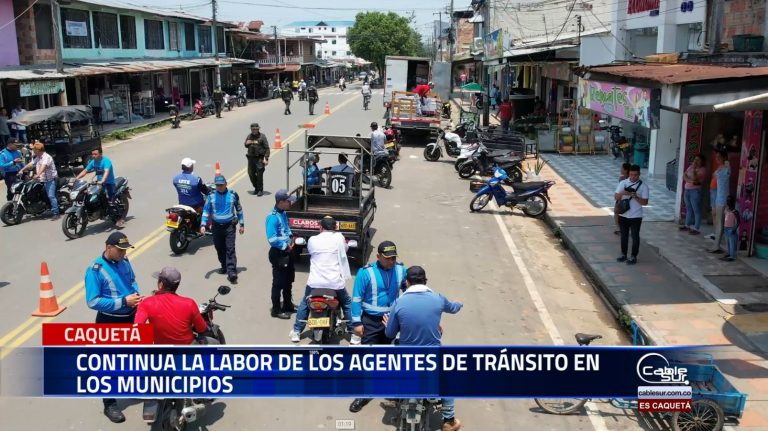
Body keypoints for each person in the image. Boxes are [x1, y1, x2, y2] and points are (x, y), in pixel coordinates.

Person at [384, 266, 463, 431]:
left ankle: (393, 394)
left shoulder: (399, 302)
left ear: (407, 282)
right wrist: (459, 304)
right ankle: (449, 420)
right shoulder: (438, 299)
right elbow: (453, 308)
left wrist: (390, 325)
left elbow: (390, 333)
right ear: (425, 281)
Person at [84, 232, 142, 423]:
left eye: (125, 250)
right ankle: (109, 403)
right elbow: (93, 301)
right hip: (109, 320)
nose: (124, 254)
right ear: (108, 248)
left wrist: (136, 294)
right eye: (120, 250)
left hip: (131, 317)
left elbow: (132, 280)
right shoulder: (95, 270)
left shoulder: (124, 261)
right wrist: (123, 301)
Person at [348, 240, 406, 413]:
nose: (392, 261)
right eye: (388, 258)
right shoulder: (365, 273)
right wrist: (357, 323)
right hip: (371, 321)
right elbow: (356, 299)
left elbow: (411, 290)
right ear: (378, 256)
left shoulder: (401, 270)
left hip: (392, 320)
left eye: (394, 257)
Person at [289, 215, 353, 342]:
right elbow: (345, 249)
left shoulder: (312, 240)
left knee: (305, 303)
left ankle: (296, 331)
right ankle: (354, 334)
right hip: (335, 283)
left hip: (315, 283)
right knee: (347, 303)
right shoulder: (339, 238)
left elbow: (311, 250)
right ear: (335, 227)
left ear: (320, 227)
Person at [134, 267, 207, 344]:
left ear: (161, 284)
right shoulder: (189, 303)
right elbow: (202, 329)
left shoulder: (146, 303)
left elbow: (136, 330)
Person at [200, 175, 244, 284]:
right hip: (216, 227)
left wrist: (242, 224)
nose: (220, 187)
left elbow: (239, 209)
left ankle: (232, 272)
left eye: (221, 185)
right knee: (219, 248)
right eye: (218, 185)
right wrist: (203, 225)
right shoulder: (211, 196)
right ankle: (224, 266)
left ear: (226, 184)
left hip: (229, 226)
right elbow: (206, 210)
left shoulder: (233, 195)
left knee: (230, 248)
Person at [265, 189, 297, 320]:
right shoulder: (272, 217)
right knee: (278, 283)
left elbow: (286, 229)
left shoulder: (283, 213)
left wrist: (291, 238)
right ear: (281, 202)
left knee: (288, 281)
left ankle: (288, 304)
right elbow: (272, 239)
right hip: (279, 254)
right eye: (288, 201)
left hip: (288, 252)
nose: (290, 203)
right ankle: (276, 310)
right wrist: (285, 246)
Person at [615, 165, 650, 265]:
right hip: (623, 215)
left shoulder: (644, 186)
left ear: (639, 175)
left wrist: (636, 197)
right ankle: (623, 254)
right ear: (629, 174)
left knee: (635, 236)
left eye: (635, 175)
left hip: (636, 216)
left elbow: (645, 203)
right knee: (624, 236)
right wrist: (623, 193)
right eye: (631, 174)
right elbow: (616, 197)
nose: (633, 177)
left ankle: (633, 256)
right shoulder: (623, 183)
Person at [19, 141, 59, 219]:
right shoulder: (38, 157)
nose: (33, 151)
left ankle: (56, 213)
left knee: (51, 196)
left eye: (34, 149)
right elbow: (31, 163)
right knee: (32, 190)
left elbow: (43, 167)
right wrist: (22, 169)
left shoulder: (46, 157)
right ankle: (38, 208)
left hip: (50, 180)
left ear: (38, 150)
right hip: (42, 179)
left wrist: (38, 174)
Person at [709, 150, 731, 254]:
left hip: (722, 199)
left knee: (721, 223)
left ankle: (718, 246)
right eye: (716, 157)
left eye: (719, 157)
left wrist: (726, 161)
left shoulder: (726, 168)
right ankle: (717, 245)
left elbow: (726, 171)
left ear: (724, 158)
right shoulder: (721, 168)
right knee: (719, 222)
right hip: (719, 197)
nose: (717, 159)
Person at [680, 154, 707, 235]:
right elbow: (684, 176)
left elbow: (695, 178)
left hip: (695, 191)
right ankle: (687, 225)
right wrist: (691, 181)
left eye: (698, 160)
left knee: (696, 210)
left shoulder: (703, 170)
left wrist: (694, 170)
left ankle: (696, 228)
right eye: (695, 159)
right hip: (687, 190)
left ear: (702, 162)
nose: (695, 161)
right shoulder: (691, 167)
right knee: (689, 208)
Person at [244, 123, 271, 196]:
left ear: (258, 129)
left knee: (259, 174)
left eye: (256, 129)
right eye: (253, 129)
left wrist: (266, 158)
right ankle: (256, 187)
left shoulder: (262, 137)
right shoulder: (249, 136)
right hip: (251, 158)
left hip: (259, 159)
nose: (254, 130)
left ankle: (260, 190)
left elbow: (267, 148)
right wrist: (247, 143)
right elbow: (245, 145)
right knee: (250, 173)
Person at [613, 163, 631, 235]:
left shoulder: (622, 179)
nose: (620, 169)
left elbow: (620, 190)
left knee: (616, 212)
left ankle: (619, 228)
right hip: (628, 199)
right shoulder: (627, 178)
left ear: (625, 170)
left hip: (622, 198)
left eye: (622, 168)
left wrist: (618, 199)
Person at [721, 196, 740, 262]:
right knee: (728, 242)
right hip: (726, 228)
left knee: (732, 243)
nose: (727, 202)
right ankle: (729, 253)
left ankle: (732, 256)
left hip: (731, 228)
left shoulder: (735, 212)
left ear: (733, 202)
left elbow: (738, 222)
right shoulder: (726, 210)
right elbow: (725, 218)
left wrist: (734, 229)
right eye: (727, 200)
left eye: (729, 200)